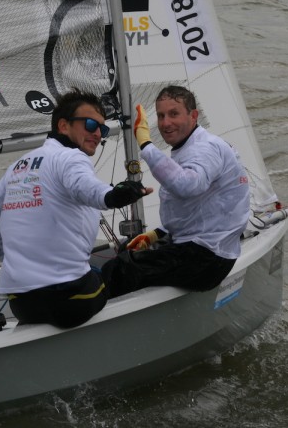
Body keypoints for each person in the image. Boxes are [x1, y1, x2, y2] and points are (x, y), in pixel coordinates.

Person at [0, 88, 151, 328]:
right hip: (71, 302)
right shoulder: (71, 158)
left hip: (22, 305)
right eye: (89, 124)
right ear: (63, 126)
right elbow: (85, 188)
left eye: (102, 128)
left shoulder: (18, 166)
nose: (98, 134)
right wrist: (113, 196)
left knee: (93, 271)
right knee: (130, 268)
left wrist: (12, 259)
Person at [104, 85, 251, 297]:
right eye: (161, 116)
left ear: (193, 115)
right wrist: (156, 234)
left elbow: (187, 185)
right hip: (203, 250)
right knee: (127, 250)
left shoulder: (205, 148)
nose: (165, 123)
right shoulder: (192, 145)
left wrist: (145, 144)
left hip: (207, 258)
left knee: (120, 269)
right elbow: (195, 209)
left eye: (174, 114)